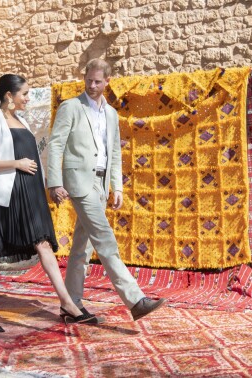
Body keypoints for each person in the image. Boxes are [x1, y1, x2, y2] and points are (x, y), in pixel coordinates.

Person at [0, 74, 97, 332]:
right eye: (25, 94)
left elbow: (35, 160)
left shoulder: (23, 121)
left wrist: (48, 186)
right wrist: (16, 163)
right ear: (9, 96)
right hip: (1, 196)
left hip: (30, 194)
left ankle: (67, 304)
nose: (29, 99)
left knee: (43, 245)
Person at [47, 59, 166, 321]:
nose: (91, 85)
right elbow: (56, 145)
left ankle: (71, 305)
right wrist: (54, 182)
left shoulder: (111, 113)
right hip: (79, 184)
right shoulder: (71, 107)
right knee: (106, 241)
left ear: (107, 82)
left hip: (100, 185)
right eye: (88, 80)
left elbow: (114, 150)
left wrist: (117, 186)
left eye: (97, 81)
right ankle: (135, 300)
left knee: (81, 249)